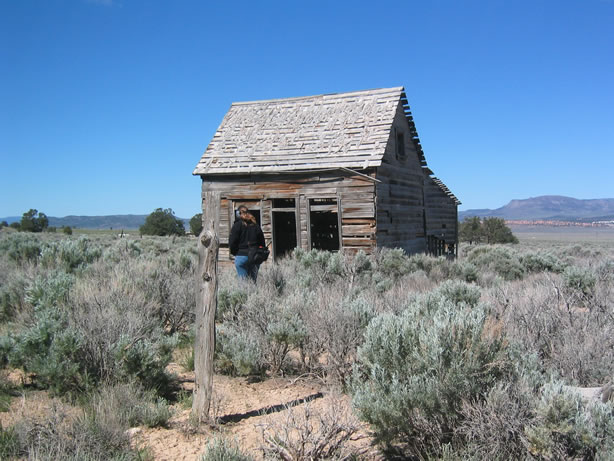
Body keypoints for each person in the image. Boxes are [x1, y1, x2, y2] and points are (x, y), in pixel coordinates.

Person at [229, 205, 265, 281]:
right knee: (253, 282)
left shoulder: (237, 226)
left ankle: (245, 293)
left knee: (243, 285)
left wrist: (235, 253)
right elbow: (262, 242)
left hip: (241, 255)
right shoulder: (256, 226)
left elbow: (232, 242)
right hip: (255, 256)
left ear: (238, 214)